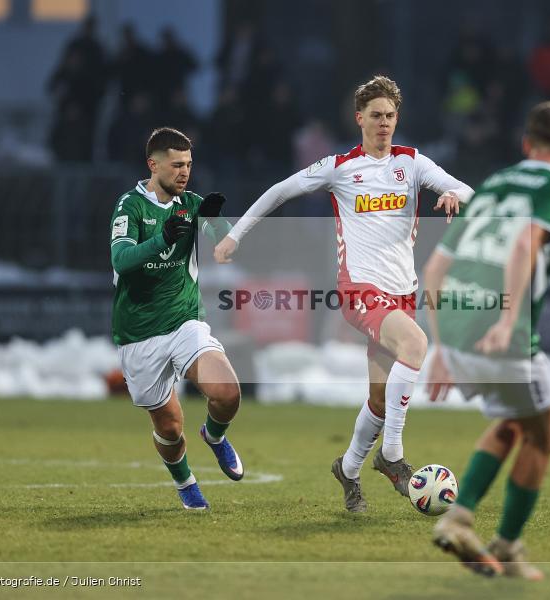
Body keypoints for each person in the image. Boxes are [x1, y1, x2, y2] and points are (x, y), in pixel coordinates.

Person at [213, 75, 474, 512]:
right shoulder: (340, 167)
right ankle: (392, 456)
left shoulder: (411, 162)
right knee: (416, 343)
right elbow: (280, 191)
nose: (385, 123)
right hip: (359, 290)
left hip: (402, 294)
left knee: (378, 398)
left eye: (391, 116)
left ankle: (349, 470)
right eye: (376, 115)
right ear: (360, 118)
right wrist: (235, 236)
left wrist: (451, 193)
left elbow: (465, 187)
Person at [422, 101, 550, 577]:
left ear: (525, 143)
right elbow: (523, 244)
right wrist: (507, 321)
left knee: (515, 423)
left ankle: (462, 519)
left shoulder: (492, 183)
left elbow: (435, 267)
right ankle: (503, 543)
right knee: (547, 431)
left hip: (455, 324)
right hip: (503, 334)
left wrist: (440, 347)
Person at [109, 127, 243, 510]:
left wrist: (218, 222)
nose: (185, 172)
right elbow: (122, 261)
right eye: (176, 165)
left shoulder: (192, 203)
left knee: (227, 392)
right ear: (153, 165)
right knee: (169, 427)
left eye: (189, 164)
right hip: (138, 333)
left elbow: (227, 248)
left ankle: (215, 436)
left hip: (185, 319)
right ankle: (185, 481)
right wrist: (162, 240)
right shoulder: (129, 207)